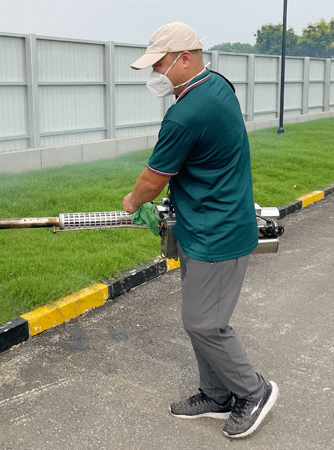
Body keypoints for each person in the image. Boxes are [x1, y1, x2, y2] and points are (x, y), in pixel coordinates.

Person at [122, 22, 278, 439]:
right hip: (204, 222)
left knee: (204, 322)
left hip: (218, 232)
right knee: (201, 319)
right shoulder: (216, 85)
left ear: (184, 58)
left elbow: (153, 179)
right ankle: (216, 394)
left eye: (160, 65)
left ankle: (253, 391)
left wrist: (133, 202)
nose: (156, 74)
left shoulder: (186, 113)